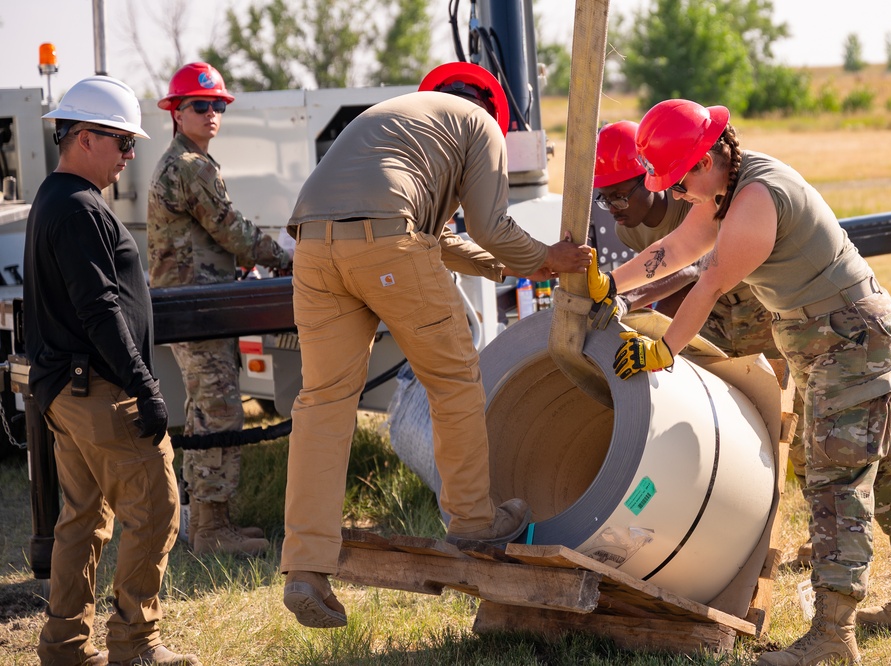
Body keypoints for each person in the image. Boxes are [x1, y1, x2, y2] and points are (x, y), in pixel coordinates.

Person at [586, 99, 891, 665]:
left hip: (849, 339)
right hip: (825, 339)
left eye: (680, 181)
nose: (678, 194)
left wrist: (662, 349)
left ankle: (834, 635)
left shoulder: (755, 197)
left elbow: (707, 283)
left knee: (835, 478)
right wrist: (612, 283)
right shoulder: (724, 189)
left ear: (708, 158)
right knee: (876, 461)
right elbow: (678, 247)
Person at [279, 62, 592, 629]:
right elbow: (489, 225)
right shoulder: (483, 126)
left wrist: (505, 268)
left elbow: (440, 238)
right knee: (453, 381)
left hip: (313, 244)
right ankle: (473, 520)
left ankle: (305, 566)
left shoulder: (401, 120)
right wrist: (549, 259)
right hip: (388, 241)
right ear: (493, 106)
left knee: (322, 405)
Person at [24, 76, 200, 666]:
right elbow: (99, 308)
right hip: (98, 388)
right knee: (156, 507)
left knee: (82, 522)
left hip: (67, 389)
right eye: (122, 142)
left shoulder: (56, 198)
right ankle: (135, 644)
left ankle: (66, 647)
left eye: (131, 144)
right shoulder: (75, 208)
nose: (130, 156)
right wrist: (145, 388)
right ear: (81, 137)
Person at [592, 120, 812, 567]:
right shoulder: (631, 226)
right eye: (604, 197)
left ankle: (816, 535)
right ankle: (742, 534)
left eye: (621, 193)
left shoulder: (699, 190)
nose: (614, 207)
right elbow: (668, 266)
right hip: (706, 314)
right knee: (728, 423)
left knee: (787, 417)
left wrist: (629, 299)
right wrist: (614, 289)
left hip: (751, 303)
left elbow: (697, 267)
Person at [148, 62, 292, 557]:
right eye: (199, 106)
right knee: (217, 410)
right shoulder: (190, 166)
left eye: (218, 106)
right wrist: (283, 256)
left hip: (199, 304)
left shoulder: (187, 162)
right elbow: (231, 229)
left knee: (209, 409)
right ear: (176, 112)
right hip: (196, 307)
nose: (211, 114)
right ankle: (210, 531)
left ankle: (213, 522)